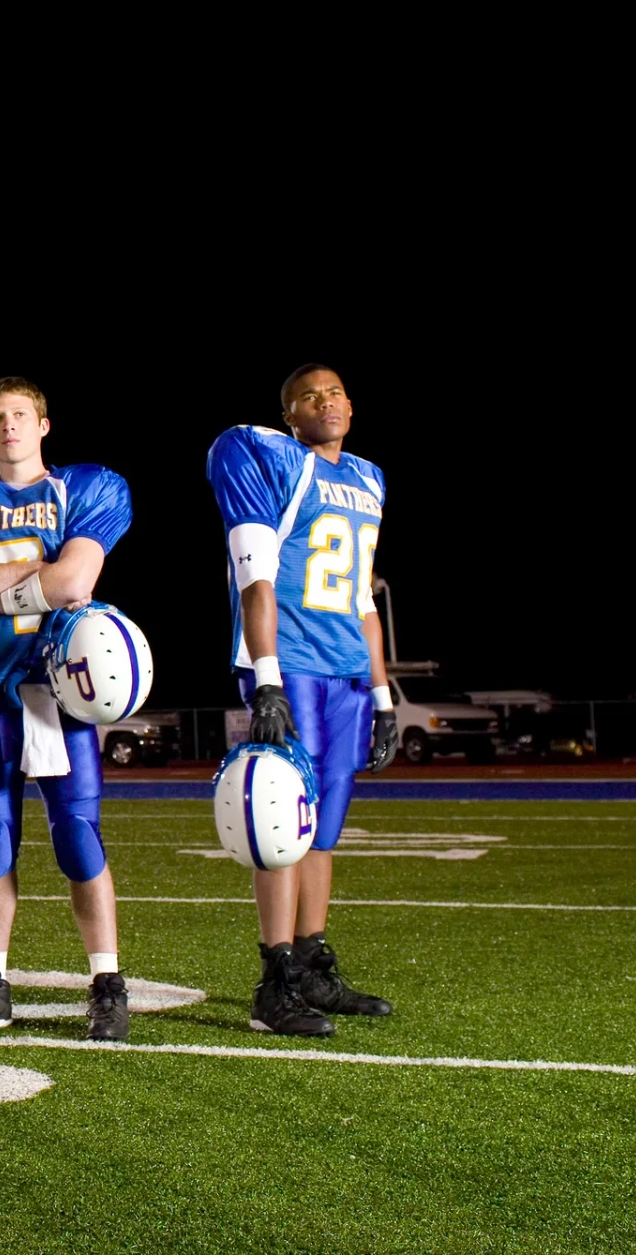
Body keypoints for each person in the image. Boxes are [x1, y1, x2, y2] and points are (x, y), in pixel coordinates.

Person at [0, 378, 134, 1041]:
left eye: (19, 414)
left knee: (77, 834)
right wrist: (43, 573)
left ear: (43, 425)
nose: (8, 425)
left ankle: (107, 982)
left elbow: (77, 581)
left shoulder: (87, 486)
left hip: (60, 687)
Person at [206, 363, 398, 1038]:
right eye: (311, 396)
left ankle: (314, 963)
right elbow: (254, 578)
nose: (329, 401)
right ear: (290, 414)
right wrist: (265, 678)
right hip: (293, 666)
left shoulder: (369, 478)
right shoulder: (272, 458)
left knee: (325, 828)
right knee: (282, 825)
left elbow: (363, 598)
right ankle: (275, 979)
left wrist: (383, 695)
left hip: (346, 669)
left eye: (339, 390)